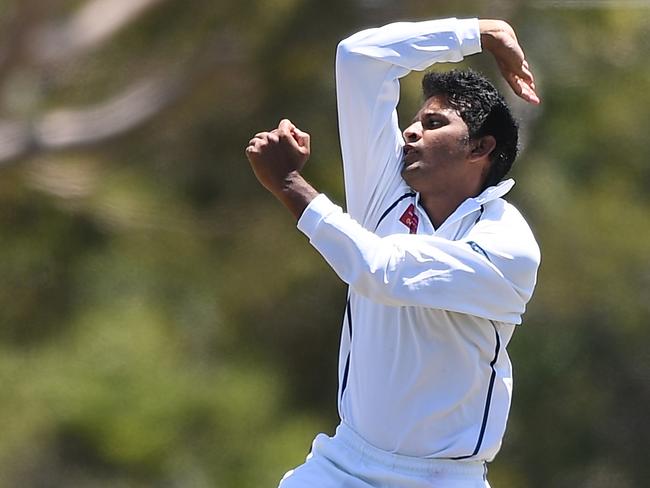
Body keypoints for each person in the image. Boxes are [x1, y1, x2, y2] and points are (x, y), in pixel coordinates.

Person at [245, 16, 541, 488]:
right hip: (343, 464)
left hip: (445, 479)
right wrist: (478, 33)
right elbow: (360, 58)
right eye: (414, 120)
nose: (410, 132)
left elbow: (382, 273)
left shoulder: (507, 245)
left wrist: (290, 185)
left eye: (433, 123)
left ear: (479, 148)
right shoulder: (386, 191)